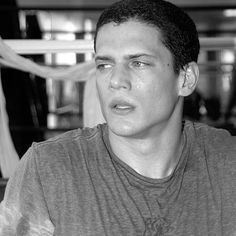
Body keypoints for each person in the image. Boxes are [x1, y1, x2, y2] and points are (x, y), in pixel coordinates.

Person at [1, 0, 236, 235]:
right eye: (104, 65)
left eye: (138, 63)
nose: (115, 80)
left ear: (186, 79)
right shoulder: (48, 169)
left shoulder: (227, 164)